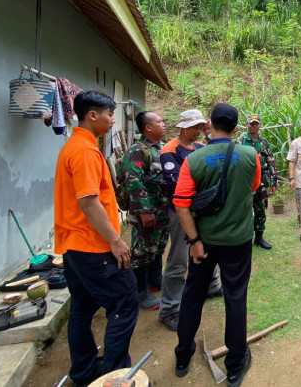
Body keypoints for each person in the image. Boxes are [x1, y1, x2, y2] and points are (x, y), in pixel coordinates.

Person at [173, 103, 260, 387]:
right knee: (235, 297)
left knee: (193, 294)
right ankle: (235, 365)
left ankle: (183, 356)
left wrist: (195, 241)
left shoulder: (194, 159)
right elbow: (253, 187)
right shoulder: (250, 155)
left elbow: (181, 205)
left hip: (204, 243)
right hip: (238, 241)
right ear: (237, 129)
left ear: (209, 124)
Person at [54, 91, 138, 386]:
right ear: (93, 115)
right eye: (109, 113)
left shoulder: (73, 146)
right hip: (93, 247)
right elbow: (89, 201)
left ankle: (83, 370)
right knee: (124, 302)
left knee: (82, 306)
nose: (112, 119)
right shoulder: (85, 152)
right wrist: (115, 240)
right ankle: (114, 373)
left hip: (74, 248)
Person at [158, 109, 222, 332]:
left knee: (205, 248)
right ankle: (170, 308)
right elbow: (177, 185)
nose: (199, 131)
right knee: (178, 258)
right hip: (180, 212)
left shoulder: (200, 148)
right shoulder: (170, 151)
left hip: (200, 210)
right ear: (183, 127)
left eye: (201, 127)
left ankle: (212, 286)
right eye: (195, 127)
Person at [122, 111, 168, 310]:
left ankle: (155, 281)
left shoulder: (160, 149)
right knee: (141, 252)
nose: (163, 124)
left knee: (157, 247)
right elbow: (134, 181)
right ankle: (139, 293)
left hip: (161, 211)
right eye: (159, 122)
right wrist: (144, 211)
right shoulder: (137, 150)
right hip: (147, 213)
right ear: (148, 127)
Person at [236, 114, 277, 250]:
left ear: (259, 125)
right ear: (247, 125)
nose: (253, 126)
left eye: (256, 124)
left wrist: (273, 180)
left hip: (262, 181)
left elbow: (271, 160)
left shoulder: (264, 142)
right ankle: (244, 238)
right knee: (244, 210)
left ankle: (259, 238)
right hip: (246, 182)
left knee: (260, 209)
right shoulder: (240, 141)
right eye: (251, 124)